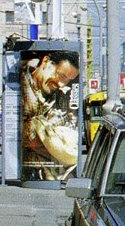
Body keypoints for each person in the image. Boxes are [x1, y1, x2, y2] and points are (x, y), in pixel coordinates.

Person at [21, 51, 82, 182]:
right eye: (61, 76)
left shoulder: (56, 96)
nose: (61, 84)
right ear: (45, 62)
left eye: (67, 80)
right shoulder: (21, 85)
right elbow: (29, 136)